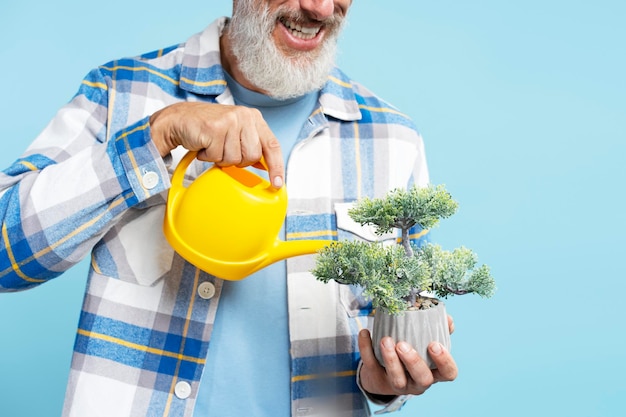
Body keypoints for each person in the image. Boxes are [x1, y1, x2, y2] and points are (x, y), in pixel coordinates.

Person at [0, 1, 458, 416]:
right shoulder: (122, 94)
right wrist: (152, 138)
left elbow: (399, 324)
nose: (319, 8)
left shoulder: (393, 140)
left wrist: (383, 382)